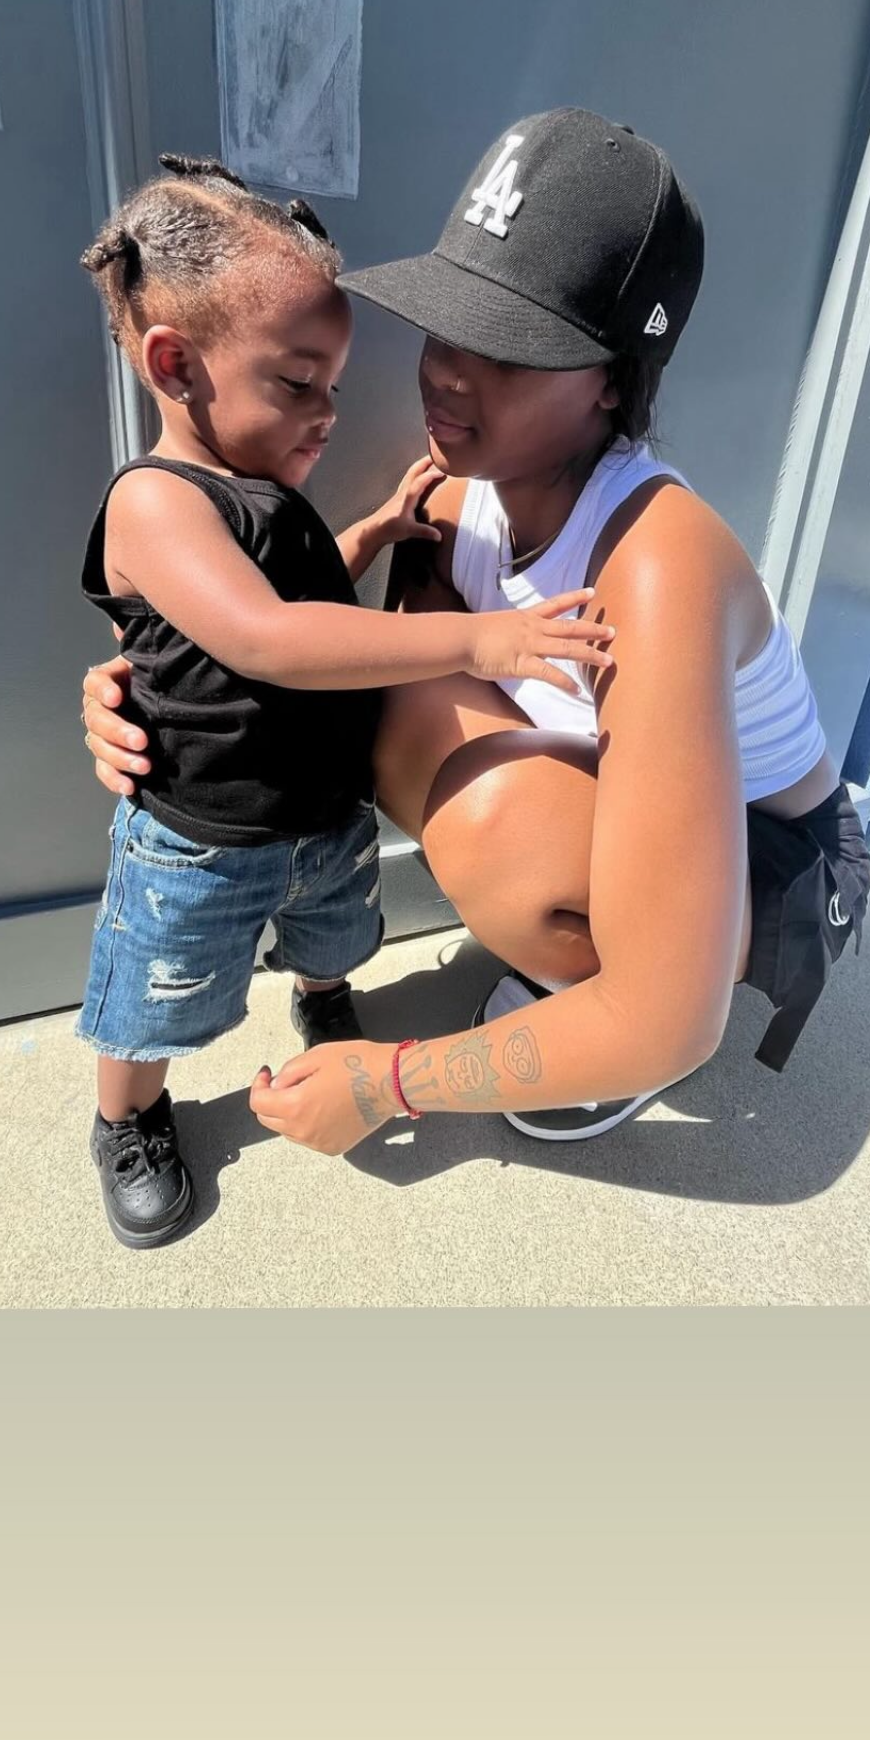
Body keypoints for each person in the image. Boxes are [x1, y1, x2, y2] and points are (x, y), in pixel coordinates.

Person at [82, 112, 870, 1166]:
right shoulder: (458, 494)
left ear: (611, 379)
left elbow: (678, 1019)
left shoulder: (658, 563)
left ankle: (600, 1007)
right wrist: (156, 685)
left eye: (507, 347)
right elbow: (312, 645)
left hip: (773, 867)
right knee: (391, 693)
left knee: (498, 827)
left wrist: (392, 1081)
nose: (448, 372)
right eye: (445, 323)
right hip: (624, 795)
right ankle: (588, 969)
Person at [73, 151, 616, 1245]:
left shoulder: (265, 492)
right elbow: (268, 636)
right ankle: (126, 1119)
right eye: (297, 383)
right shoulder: (155, 503)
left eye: (334, 387)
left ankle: (320, 995)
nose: (325, 414)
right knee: (155, 992)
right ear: (175, 363)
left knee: (335, 933)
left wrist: (371, 533)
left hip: (323, 813)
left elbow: (301, 596)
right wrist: (483, 639)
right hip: (204, 837)